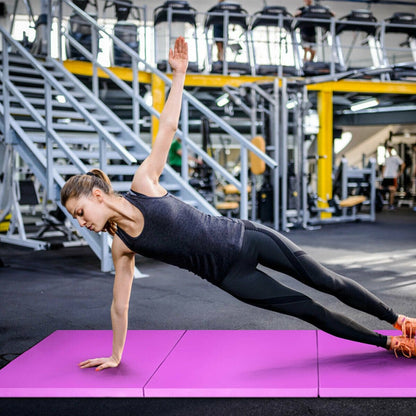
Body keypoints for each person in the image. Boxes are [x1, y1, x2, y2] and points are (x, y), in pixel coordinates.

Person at [61, 37, 416, 371]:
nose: (81, 222)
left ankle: (399, 320)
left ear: (97, 195)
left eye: (80, 212)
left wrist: (179, 74)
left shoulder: (143, 184)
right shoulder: (122, 245)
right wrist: (115, 355)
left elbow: (167, 127)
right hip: (232, 277)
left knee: (328, 281)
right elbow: (119, 305)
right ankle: (387, 344)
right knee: (309, 310)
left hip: (247, 238)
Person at [381, 143, 405, 210]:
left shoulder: (396, 158)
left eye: (389, 149)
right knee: (384, 191)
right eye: (387, 149)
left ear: (392, 149)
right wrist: (383, 175)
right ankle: (382, 204)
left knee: (392, 191)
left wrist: (400, 172)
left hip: (393, 176)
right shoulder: (387, 159)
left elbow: (403, 164)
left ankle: (390, 205)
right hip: (386, 177)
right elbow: (384, 167)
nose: (388, 150)